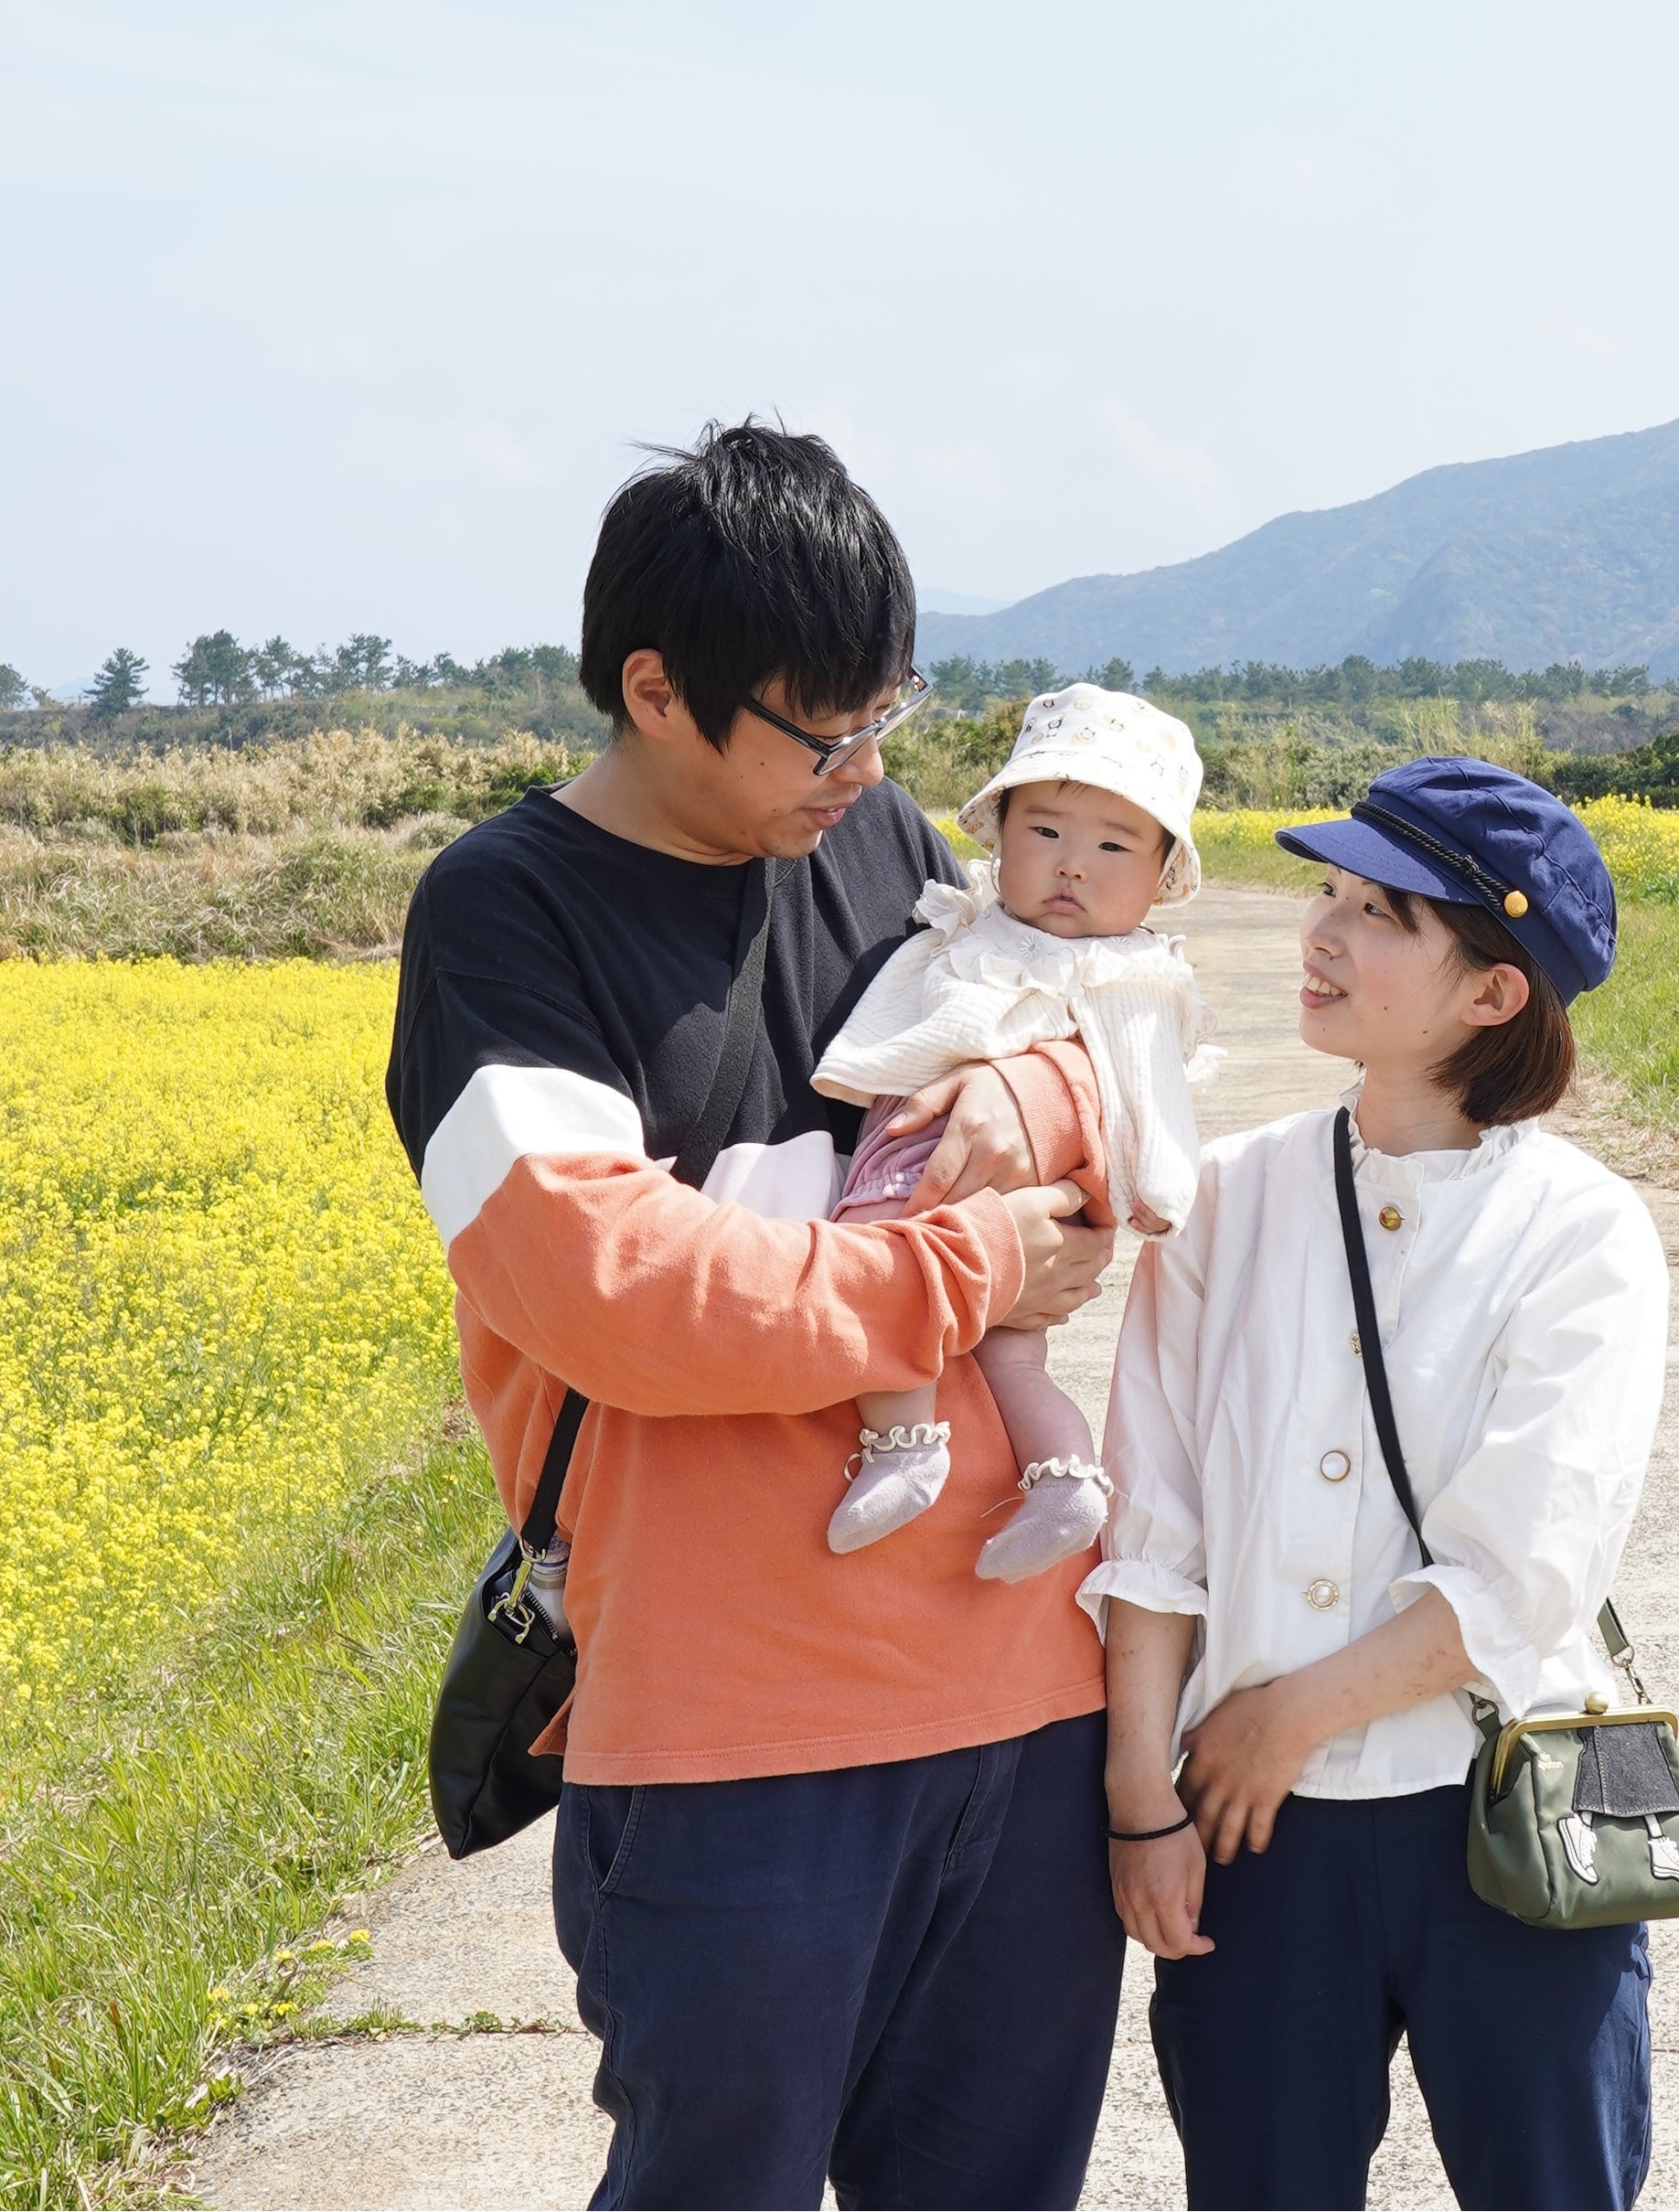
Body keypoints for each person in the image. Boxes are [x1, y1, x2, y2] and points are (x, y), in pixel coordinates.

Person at [380, 422, 1126, 2210]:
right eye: (821, 727)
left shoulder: (880, 842)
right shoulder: (508, 916)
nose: (865, 766)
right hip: (731, 1726)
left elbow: (1104, 1073)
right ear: (655, 689)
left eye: (893, 715)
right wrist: (972, 1270)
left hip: (1019, 1691)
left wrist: (1038, 1116)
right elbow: (614, 1291)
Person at [1088, 756, 1672, 2211]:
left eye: (1381, 914)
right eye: (1326, 894)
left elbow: (1523, 1574)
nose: (1321, 934)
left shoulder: (1583, 1234)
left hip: (1511, 1813)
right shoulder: (1225, 1195)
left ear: (1494, 993)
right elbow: (1153, 1521)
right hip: (1251, 1830)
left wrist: (1285, 1713)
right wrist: (1137, 1796)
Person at [815, 680, 1218, 1581]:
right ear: (997, 837)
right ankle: (1065, 1483)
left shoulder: (1133, 979)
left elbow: (1149, 1101)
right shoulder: (969, 921)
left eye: (1113, 845)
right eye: (1045, 833)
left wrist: (1145, 1186)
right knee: (1008, 1353)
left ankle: (906, 1443)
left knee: (881, 1256)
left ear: (1161, 876)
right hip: (978, 1178)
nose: (1073, 865)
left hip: (948, 1175)